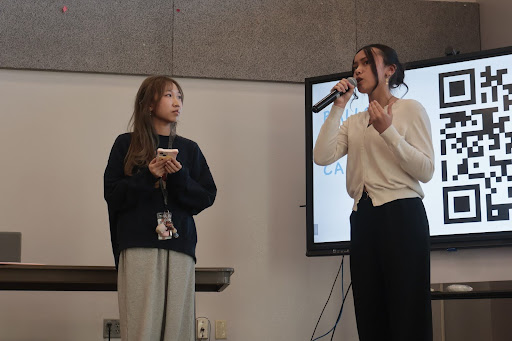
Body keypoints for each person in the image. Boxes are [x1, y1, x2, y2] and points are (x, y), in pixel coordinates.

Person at [313, 44, 434, 341]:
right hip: (364, 217)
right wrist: (338, 106)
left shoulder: (410, 109)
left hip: (402, 215)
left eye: (366, 63)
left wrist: (388, 131)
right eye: (355, 64)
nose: (357, 70)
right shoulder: (354, 121)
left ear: (390, 70)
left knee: (407, 312)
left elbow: (426, 170)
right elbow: (322, 156)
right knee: (369, 311)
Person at [104, 75, 216, 340]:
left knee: (178, 330)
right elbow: (113, 195)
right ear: (149, 104)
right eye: (169, 95)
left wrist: (179, 177)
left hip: (179, 247)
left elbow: (206, 197)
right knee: (143, 328)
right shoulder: (126, 144)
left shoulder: (189, 149)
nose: (177, 102)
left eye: (179, 96)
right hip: (139, 246)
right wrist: (147, 176)